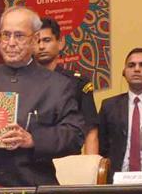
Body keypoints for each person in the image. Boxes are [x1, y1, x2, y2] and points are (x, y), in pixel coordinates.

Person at [0, 6, 86, 186]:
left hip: (32, 186)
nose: (10, 43)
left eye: (19, 36)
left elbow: (74, 135)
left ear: (35, 40)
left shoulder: (58, 85)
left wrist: (32, 139)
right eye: (5, 35)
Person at [33, 17, 99, 154]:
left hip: (67, 160)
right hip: (32, 159)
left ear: (60, 42)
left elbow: (90, 131)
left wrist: (91, 170)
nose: (41, 47)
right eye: (36, 41)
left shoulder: (77, 83)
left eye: (47, 40)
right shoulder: (23, 82)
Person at [96, 48, 142, 173]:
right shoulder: (109, 106)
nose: (137, 69)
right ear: (124, 72)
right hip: (117, 179)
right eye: (131, 65)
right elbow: (101, 147)